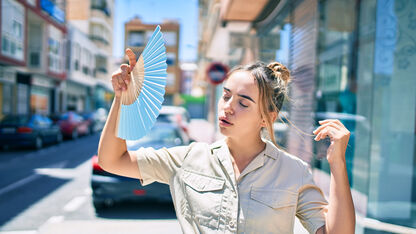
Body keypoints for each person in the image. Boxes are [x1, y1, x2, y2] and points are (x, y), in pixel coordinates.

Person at [98, 48, 356, 234]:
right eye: (226, 96)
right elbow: (113, 160)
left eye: (243, 103)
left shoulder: (293, 172)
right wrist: (122, 99)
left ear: (268, 117)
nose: (228, 107)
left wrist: (338, 165)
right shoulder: (188, 158)